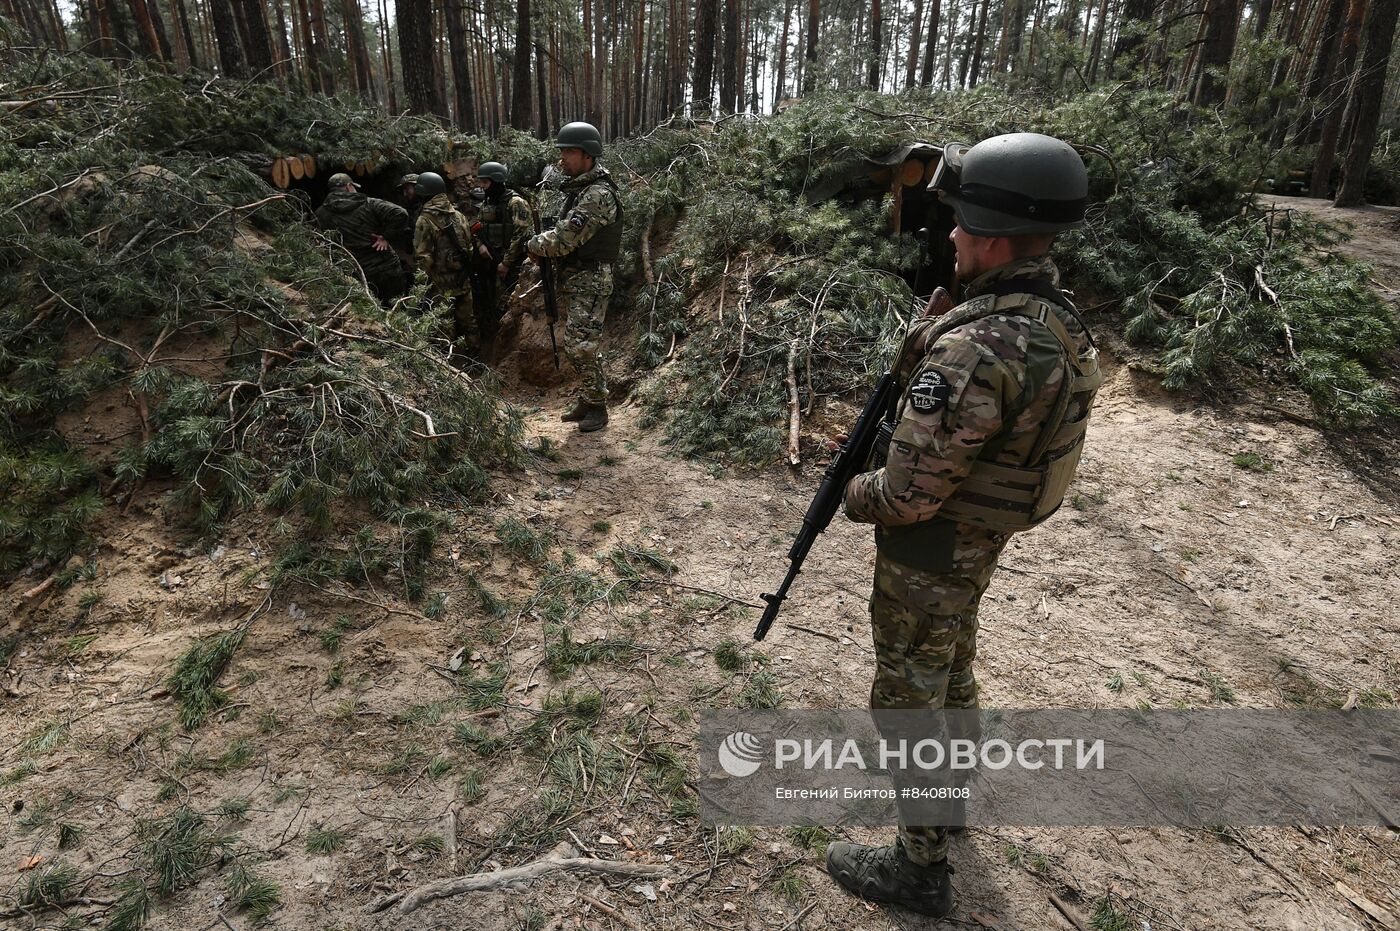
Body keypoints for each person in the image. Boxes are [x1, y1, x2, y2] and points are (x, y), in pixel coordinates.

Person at [826, 133, 1102, 918]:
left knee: (907, 695)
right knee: (949, 668)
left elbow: (909, 494)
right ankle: (945, 808)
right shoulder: (1052, 317)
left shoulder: (980, 344)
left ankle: (918, 867)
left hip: (932, 544)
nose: (948, 234)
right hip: (978, 541)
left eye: (959, 224)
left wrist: (854, 492)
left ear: (991, 235)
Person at [526, 122, 623, 434]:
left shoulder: (598, 195)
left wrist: (535, 244)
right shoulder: (582, 189)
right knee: (578, 343)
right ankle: (588, 399)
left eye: (570, 151)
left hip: (592, 279)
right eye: (562, 151)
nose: (563, 157)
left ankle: (598, 405)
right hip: (580, 278)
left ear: (588, 155)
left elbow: (566, 238)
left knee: (581, 346)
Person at [315, 172, 411, 304]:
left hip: (355, 276)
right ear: (349, 186)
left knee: (370, 315)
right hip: (385, 269)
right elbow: (400, 213)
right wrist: (385, 237)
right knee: (397, 308)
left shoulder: (321, 213)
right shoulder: (369, 204)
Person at [412, 171, 479, 361]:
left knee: (443, 324)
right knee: (469, 320)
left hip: (439, 284)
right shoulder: (458, 215)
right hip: (462, 278)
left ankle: (446, 365)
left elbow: (422, 257)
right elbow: (469, 247)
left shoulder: (425, 220)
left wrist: (421, 286)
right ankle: (475, 359)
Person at [471, 161, 532, 350]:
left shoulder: (516, 203)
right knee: (486, 298)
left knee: (508, 301)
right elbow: (477, 227)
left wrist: (506, 262)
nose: (482, 187)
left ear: (496, 181)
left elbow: (521, 235)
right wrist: (481, 246)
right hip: (489, 260)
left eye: (485, 183)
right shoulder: (488, 203)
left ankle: (509, 344)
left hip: (509, 263)